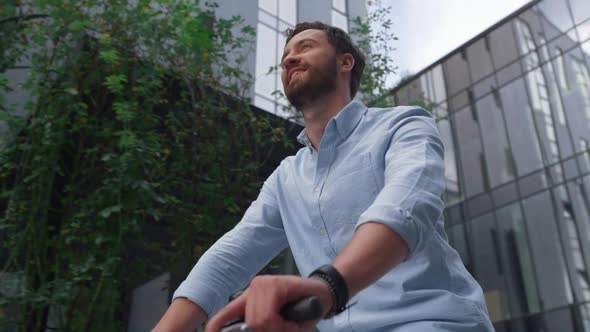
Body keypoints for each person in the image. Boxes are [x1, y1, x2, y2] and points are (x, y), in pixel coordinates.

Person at [153, 21, 494, 332]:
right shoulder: (286, 177)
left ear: (345, 63)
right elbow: (229, 257)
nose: (289, 59)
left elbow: (406, 207)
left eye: (304, 47)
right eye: (286, 54)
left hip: (432, 323)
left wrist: (327, 286)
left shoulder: (402, 125)